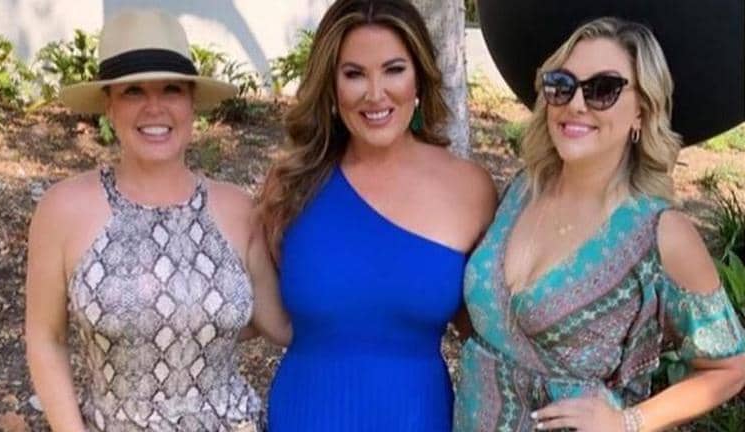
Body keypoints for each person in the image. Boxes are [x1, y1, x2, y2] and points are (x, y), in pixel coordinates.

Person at [454, 16, 745, 432]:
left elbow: (730, 366)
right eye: (562, 85)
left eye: (603, 89)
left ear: (641, 112)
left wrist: (629, 422)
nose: (576, 104)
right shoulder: (522, 190)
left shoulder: (659, 233)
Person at [25, 9, 290, 432]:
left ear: (191, 102)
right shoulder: (62, 210)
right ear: (109, 105)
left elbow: (280, 324)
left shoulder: (240, 210)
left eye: (171, 89)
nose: (155, 107)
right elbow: (45, 338)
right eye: (133, 91)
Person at [257, 0, 497, 430]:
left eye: (393, 70)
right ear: (331, 85)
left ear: (419, 75)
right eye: (354, 74)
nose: (375, 93)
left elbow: (486, 337)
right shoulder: (291, 185)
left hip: (418, 418)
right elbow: (242, 304)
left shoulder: (470, 189)